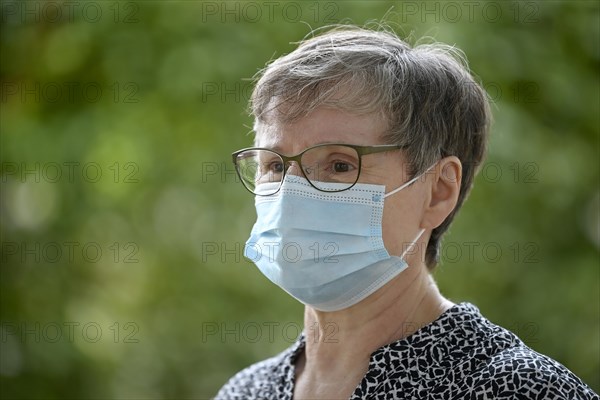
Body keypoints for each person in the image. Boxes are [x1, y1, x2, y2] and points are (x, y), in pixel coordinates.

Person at [216, 26, 598, 400]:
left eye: (339, 165)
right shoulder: (246, 391)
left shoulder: (513, 389)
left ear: (438, 191)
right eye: (276, 166)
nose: (292, 194)